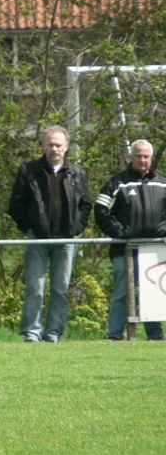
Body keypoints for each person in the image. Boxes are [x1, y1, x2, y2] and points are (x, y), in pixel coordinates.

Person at [8, 126, 92, 343]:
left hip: (65, 239)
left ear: (66, 147)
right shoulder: (29, 171)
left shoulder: (78, 173)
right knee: (35, 288)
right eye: (50, 144)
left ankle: (53, 332)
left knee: (60, 289)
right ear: (43, 145)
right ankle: (32, 332)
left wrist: (76, 228)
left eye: (58, 145)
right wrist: (28, 228)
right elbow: (15, 204)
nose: (54, 148)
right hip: (37, 238)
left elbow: (85, 204)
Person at [95, 139, 166, 341]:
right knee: (122, 291)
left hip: (154, 249)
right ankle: (115, 334)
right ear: (130, 157)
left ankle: (155, 334)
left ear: (151, 158)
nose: (142, 160)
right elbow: (100, 210)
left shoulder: (162, 183)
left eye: (145, 156)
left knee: (152, 291)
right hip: (123, 248)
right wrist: (120, 231)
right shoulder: (117, 183)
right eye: (138, 156)